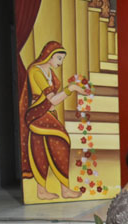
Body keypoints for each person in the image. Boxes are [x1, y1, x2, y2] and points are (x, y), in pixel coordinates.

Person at [19, 41, 88, 201]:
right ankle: (55, 189)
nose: (61, 62)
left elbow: (51, 101)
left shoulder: (49, 71)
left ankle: (52, 190)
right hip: (37, 115)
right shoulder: (35, 71)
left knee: (40, 149)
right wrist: (71, 89)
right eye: (59, 58)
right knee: (62, 140)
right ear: (49, 56)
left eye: (62, 59)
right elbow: (52, 100)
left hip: (47, 113)